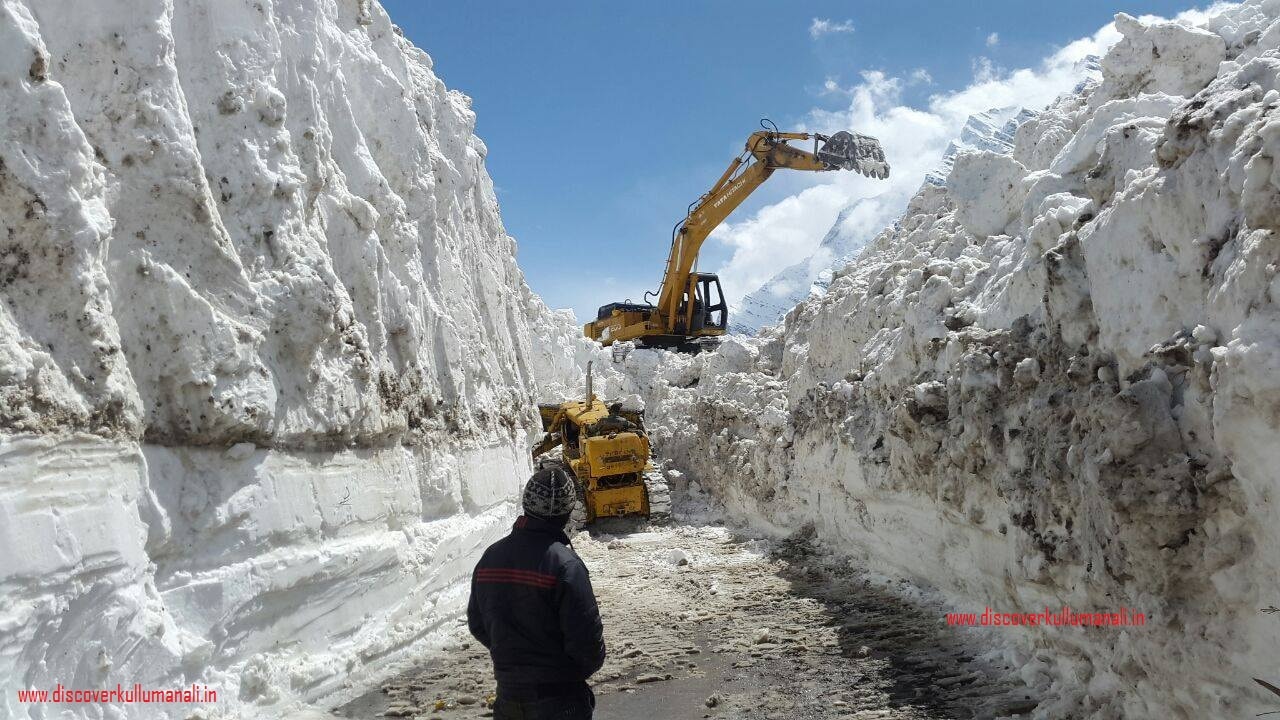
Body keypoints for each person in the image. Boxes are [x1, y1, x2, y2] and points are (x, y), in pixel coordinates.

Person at [467, 467, 606, 719]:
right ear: (566, 511)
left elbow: (478, 623)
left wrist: (512, 656)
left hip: (508, 699)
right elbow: (588, 645)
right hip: (560, 701)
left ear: (527, 505)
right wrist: (562, 672)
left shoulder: (490, 557)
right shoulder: (565, 565)